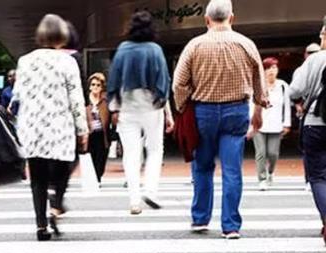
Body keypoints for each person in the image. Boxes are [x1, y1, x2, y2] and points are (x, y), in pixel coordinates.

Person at [173, 0, 266, 239]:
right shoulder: (246, 44)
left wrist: (183, 104)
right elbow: (259, 82)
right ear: (231, 18)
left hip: (203, 111)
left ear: (206, 19)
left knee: (202, 166)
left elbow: (179, 83)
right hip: (236, 110)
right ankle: (231, 225)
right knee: (232, 169)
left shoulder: (195, 45)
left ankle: (200, 218)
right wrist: (258, 109)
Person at [13, 14, 89, 241]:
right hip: (59, 126)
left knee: (37, 177)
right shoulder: (68, 62)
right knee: (64, 168)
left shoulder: (25, 61)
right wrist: (82, 129)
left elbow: (18, 94)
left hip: (32, 126)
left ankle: (40, 225)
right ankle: (56, 203)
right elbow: (76, 98)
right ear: (62, 36)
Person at [107, 11, 174, 214]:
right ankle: (151, 191)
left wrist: (114, 106)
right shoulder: (155, 50)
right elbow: (164, 81)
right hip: (152, 107)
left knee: (131, 153)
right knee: (154, 150)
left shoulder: (123, 49)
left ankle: (134, 199)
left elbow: (114, 80)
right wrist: (168, 112)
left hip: (127, 107)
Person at [289, 13, 326, 247]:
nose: (320, 37)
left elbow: (294, 90)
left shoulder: (314, 59)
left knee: (319, 177)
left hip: (316, 122)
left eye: (322, 33)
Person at [252, 57, 291, 190]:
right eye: (268, 68)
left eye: (274, 67)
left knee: (273, 153)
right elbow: (251, 105)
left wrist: (287, 123)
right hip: (259, 124)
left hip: (276, 124)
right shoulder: (257, 85)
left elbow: (287, 106)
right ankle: (262, 179)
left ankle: (270, 172)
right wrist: (250, 124)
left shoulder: (283, 86)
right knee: (261, 152)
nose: (271, 71)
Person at [86, 73, 112, 183]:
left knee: (101, 158)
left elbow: (111, 116)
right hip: (89, 134)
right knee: (91, 156)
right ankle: (95, 178)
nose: (95, 87)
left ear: (102, 87)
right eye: (93, 84)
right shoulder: (85, 101)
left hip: (103, 134)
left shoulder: (106, 101)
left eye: (98, 85)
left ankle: (98, 176)